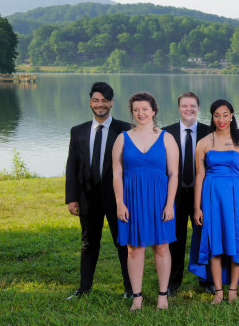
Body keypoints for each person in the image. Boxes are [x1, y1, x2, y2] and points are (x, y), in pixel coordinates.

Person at [111, 92, 179, 311]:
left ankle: (162, 296)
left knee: (161, 247)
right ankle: (137, 296)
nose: (141, 113)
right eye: (136, 110)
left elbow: (174, 174)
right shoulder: (123, 138)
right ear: (132, 112)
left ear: (154, 111)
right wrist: (120, 203)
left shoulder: (167, 137)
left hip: (160, 199)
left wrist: (169, 204)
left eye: (145, 109)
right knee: (135, 249)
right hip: (132, 199)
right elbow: (116, 173)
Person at [65, 82, 132, 299]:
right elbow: (72, 167)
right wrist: (72, 198)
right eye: (96, 100)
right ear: (90, 103)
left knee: (123, 243)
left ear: (112, 103)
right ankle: (84, 289)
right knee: (88, 244)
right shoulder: (78, 131)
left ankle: (130, 289)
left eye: (104, 100)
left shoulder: (125, 130)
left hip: (117, 199)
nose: (100, 104)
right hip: (87, 199)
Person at [191, 100, 239, 304]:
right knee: (215, 241)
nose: (221, 119)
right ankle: (218, 291)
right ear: (212, 118)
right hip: (212, 197)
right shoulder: (204, 143)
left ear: (232, 115)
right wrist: (197, 207)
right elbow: (200, 176)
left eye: (225, 114)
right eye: (216, 115)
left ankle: (233, 290)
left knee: (237, 239)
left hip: (236, 196)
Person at [164, 92, 210, 296]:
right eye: (184, 106)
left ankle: (205, 278)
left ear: (198, 108)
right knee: (175, 237)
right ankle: (173, 281)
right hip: (175, 193)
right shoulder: (166, 133)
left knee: (203, 236)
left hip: (202, 193)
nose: (188, 109)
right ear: (178, 108)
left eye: (192, 106)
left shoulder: (210, 133)